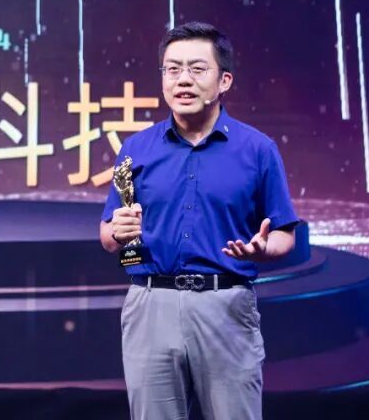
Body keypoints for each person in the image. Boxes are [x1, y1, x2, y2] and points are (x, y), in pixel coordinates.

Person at [99, 21, 299, 420]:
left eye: (197, 69)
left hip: (225, 304)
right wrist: (115, 233)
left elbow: (284, 233)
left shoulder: (258, 149)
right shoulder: (136, 149)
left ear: (224, 81)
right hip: (150, 305)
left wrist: (263, 248)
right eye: (172, 69)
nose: (183, 80)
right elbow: (107, 234)